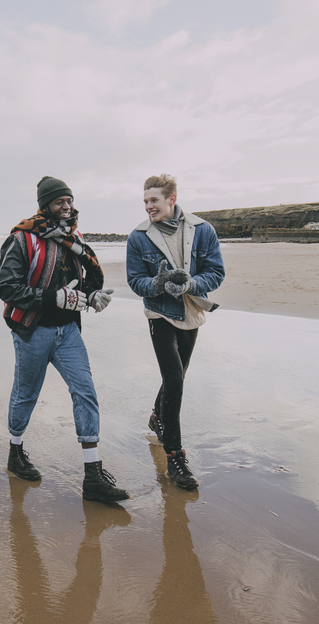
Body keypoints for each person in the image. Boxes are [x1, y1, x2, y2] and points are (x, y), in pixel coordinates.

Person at [0, 176, 125, 503]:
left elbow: (80, 282)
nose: (66, 207)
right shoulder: (22, 239)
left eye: (68, 200)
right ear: (45, 206)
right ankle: (15, 453)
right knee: (26, 394)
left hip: (68, 332)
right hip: (33, 331)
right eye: (58, 202)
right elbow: (6, 288)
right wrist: (54, 299)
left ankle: (93, 476)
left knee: (85, 392)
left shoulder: (74, 238)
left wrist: (93, 295)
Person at [126, 174, 225, 490]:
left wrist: (191, 283)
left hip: (191, 314)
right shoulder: (139, 237)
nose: (148, 206)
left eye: (153, 200)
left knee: (178, 376)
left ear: (171, 198)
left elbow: (216, 272)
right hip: (159, 314)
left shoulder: (202, 231)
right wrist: (155, 284)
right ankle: (176, 460)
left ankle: (157, 416)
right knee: (175, 382)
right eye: (145, 202)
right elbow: (134, 280)